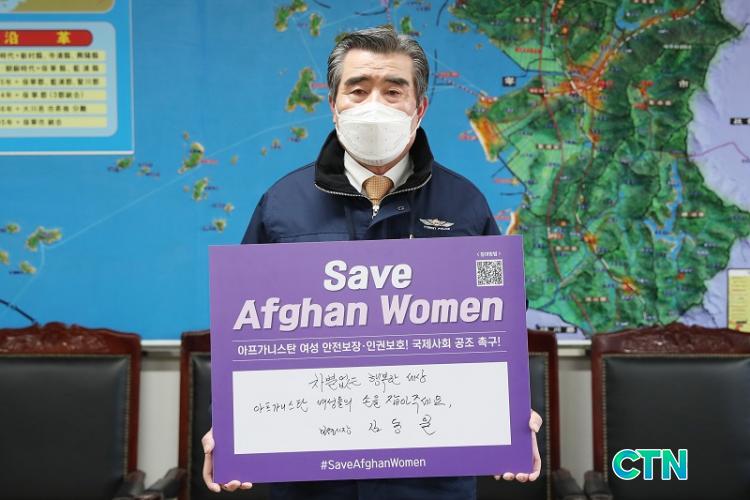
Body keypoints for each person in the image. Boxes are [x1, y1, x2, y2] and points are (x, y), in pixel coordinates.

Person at [202, 26, 542, 499]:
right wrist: (229, 427)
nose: (373, 104)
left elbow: (499, 324)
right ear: (334, 104)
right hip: (312, 483)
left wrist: (510, 413)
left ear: (419, 108)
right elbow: (244, 331)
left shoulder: (464, 204)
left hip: (429, 482)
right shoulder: (282, 204)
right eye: (357, 90)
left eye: (393, 91)